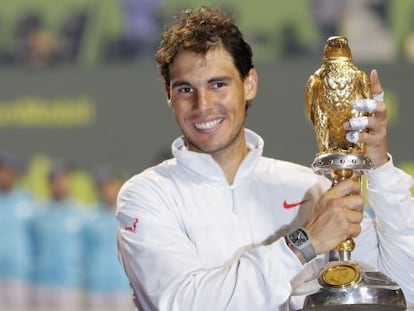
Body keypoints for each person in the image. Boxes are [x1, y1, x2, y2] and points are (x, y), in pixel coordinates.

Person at [116, 6, 414, 310]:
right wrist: (304, 243)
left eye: (218, 84)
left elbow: (403, 289)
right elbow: (186, 304)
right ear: (168, 94)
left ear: (249, 84)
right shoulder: (147, 196)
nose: (202, 105)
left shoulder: (310, 189)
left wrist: (379, 167)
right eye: (185, 89)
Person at [30, 160, 86, 311]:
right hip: (43, 282)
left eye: (63, 179)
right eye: (55, 179)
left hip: (69, 283)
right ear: (49, 183)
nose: (59, 183)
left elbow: (85, 251)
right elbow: (33, 247)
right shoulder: (39, 214)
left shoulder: (81, 214)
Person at [83, 167, 134, 311]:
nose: (108, 190)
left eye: (111, 184)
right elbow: (83, 252)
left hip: (123, 286)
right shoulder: (90, 218)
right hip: (96, 286)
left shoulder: (131, 215)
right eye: (103, 186)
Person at [0, 153, 36, 311]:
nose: (6, 175)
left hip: (19, 276)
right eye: (3, 170)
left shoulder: (26, 200)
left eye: (9, 171)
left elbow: (37, 238)